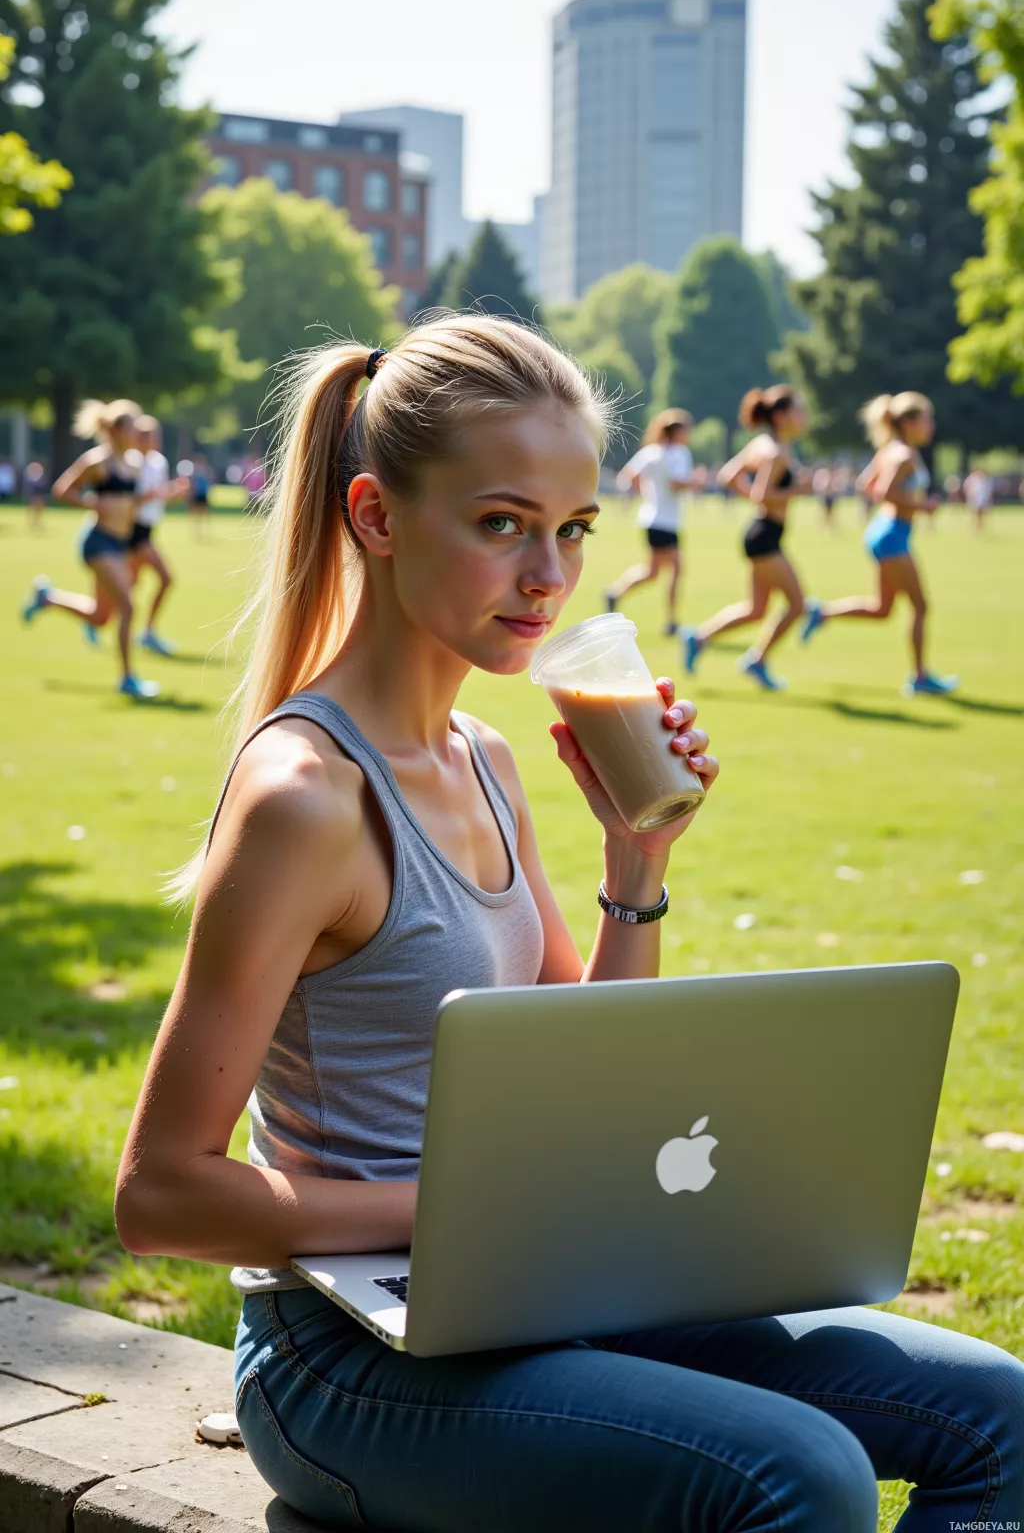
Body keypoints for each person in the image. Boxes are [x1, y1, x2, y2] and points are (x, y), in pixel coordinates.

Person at [110, 317, 1024, 1533]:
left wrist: (634, 862)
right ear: (377, 515)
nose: (550, 575)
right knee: (800, 1475)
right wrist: (469, 1204)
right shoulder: (305, 800)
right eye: (501, 524)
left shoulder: (483, 756)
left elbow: (586, 1065)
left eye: (572, 529)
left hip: (540, 1282)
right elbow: (162, 1192)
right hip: (345, 1359)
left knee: (1001, 1415)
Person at [801, 392, 958, 697]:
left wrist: (905, 502)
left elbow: (865, 485)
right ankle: (920, 677)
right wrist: (921, 506)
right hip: (893, 534)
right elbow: (883, 489)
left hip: (883, 531)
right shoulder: (904, 455)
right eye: (927, 419)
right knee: (920, 606)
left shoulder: (890, 451)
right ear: (909, 422)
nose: (931, 426)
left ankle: (821, 613)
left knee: (882, 609)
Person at [19, 399, 158, 699]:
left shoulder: (134, 463)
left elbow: (129, 504)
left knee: (100, 616)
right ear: (117, 430)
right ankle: (127, 678)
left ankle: (47, 597)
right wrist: (91, 503)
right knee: (129, 606)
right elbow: (61, 489)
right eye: (133, 427)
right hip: (97, 542)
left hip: (119, 545)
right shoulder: (97, 461)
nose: (137, 433)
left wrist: (160, 497)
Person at [682, 385, 811, 691]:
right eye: (798, 410)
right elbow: (763, 496)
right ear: (781, 416)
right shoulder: (777, 452)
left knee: (756, 609)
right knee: (797, 604)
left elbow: (729, 475)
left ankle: (698, 638)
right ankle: (757, 660)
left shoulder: (763, 445)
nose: (804, 416)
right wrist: (799, 490)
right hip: (765, 534)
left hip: (762, 533)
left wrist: (755, 494)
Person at [604, 409, 695, 636]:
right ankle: (672, 621)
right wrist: (696, 482)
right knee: (676, 569)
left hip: (650, 518)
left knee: (653, 572)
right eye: (686, 429)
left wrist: (645, 494)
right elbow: (676, 484)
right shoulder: (679, 453)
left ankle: (615, 592)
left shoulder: (652, 452)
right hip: (666, 522)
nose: (689, 434)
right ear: (677, 432)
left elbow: (628, 475)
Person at [129, 416, 189, 656]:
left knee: (129, 585)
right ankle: (147, 633)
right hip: (134, 531)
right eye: (144, 435)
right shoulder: (130, 463)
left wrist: (176, 491)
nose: (149, 440)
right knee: (166, 579)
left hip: (148, 530)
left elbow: (160, 496)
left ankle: (93, 617)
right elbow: (128, 500)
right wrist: (150, 495)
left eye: (153, 435)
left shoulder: (158, 462)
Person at [962, 465, 994, 533]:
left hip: (983, 499)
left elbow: (989, 490)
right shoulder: (972, 478)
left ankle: (980, 527)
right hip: (974, 498)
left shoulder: (985, 479)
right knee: (974, 513)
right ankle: (975, 527)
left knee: (982, 514)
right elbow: (967, 486)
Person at [23, 459, 48, 531]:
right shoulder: (31, 475)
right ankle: (33, 522)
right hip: (34, 494)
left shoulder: (41, 475)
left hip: (39, 494)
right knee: (32, 508)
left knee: (39, 509)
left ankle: (37, 522)